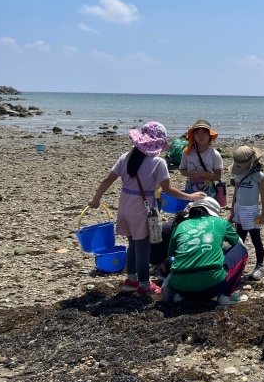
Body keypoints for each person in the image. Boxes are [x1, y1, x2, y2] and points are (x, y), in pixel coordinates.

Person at [88, 121, 207, 295]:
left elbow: (107, 180)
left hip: (125, 204)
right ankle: (144, 285)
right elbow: (168, 189)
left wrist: (96, 199)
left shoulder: (126, 157)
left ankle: (131, 280)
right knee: (143, 246)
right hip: (143, 207)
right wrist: (190, 196)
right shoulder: (158, 163)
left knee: (132, 243)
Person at [163, 197, 249, 305]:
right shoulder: (221, 222)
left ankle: (180, 295)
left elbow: (171, 256)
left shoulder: (180, 226)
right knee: (242, 250)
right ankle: (227, 295)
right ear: (211, 212)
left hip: (181, 287)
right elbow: (239, 244)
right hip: (212, 286)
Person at [228, 145, 264, 280]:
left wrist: (263, 214)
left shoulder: (259, 176)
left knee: (256, 239)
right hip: (239, 210)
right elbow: (235, 194)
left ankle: (260, 265)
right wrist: (232, 212)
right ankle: (237, 266)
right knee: (239, 240)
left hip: (252, 211)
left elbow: (263, 196)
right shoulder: (238, 174)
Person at [179, 118, 223, 199]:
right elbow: (182, 170)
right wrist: (189, 173)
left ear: (210, 135)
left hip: (208, 192)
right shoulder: (187, 152)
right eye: (197, 133)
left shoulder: (214, 154)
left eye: (204, 132)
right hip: (191, 190)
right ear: (193, 136)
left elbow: (217, 177)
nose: (200, 136)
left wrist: (201, 173)